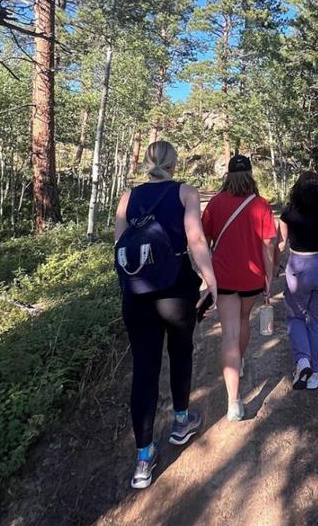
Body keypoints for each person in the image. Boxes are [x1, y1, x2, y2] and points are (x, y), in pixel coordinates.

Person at [114, 140, 218, 489]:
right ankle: (180, 420)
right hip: (176, 289)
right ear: (175, 163)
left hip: (137, 294)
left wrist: (128, 292)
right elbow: (197, 241)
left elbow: (119, 248)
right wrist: (211, 282)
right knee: (181, 353)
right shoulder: (186, 192)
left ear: (147, 162)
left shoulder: (128, 198)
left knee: (144, 369)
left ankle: (143, 458)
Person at [202, 155, 277, 421]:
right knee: (244, 320)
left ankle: (234, 402)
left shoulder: (215, 203)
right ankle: (239, 362)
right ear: (250, 174)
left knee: (229, 334)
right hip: (252, 277)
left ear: (229, 176)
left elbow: (204, 238)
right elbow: (269, 245)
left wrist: (205, 272)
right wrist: (269, 277)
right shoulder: (261, 205)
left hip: (223, 277)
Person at [277, 171, 318, 391]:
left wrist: (275, 265)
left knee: (296, 317)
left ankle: (302, 361)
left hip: (298, 268)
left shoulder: (288, 213)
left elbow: (281, 244)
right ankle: (314, 375)